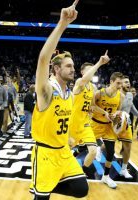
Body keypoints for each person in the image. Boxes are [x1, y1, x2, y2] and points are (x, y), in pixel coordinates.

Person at [29, 1, 88, 199]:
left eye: (73, 66)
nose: (73, 69)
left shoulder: (69, 94)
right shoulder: (46, 90)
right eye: (68, 66)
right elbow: (43, 59)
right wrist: (63, 24)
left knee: (81, 189)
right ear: (56, 69)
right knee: (41, 198)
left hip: (63, 151)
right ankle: (39, 188)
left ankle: (41, 186)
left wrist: (69, 138)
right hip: (45, 154)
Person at [69, 51, 110, 178]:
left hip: (85, 124)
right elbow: (85, 79)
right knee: (65, 151)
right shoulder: (79, 83)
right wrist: (99, 63)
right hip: (72, 123)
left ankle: (83, 170)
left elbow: (92, 106)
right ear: (83, 72)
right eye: (89, 70)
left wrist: (105, 113)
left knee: (93, 151)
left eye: (93, 70)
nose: (92, 72)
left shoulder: (93, 87)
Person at [91, 72, 124, 189]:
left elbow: (119, 110)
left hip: (109, 127)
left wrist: (117, 115)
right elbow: (92, 106)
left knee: (110, 152)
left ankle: (106, 176)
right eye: (118, 83)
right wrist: (104, 113)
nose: (120, 85)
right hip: (96, 124)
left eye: (121, 83)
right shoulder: (99, 93)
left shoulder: (121, 96)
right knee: (80, 147)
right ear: (111, 81)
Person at [115, 75, 138, 178]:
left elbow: (131, 106)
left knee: (128, 147)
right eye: (126, 82)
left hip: (126, 122)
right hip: (116, 121)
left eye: (129, 82)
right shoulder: (116, 94)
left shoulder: (130, 95)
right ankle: (99, 149)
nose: (128, 84)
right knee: (108, 146)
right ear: (120, 84)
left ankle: (123, 169)